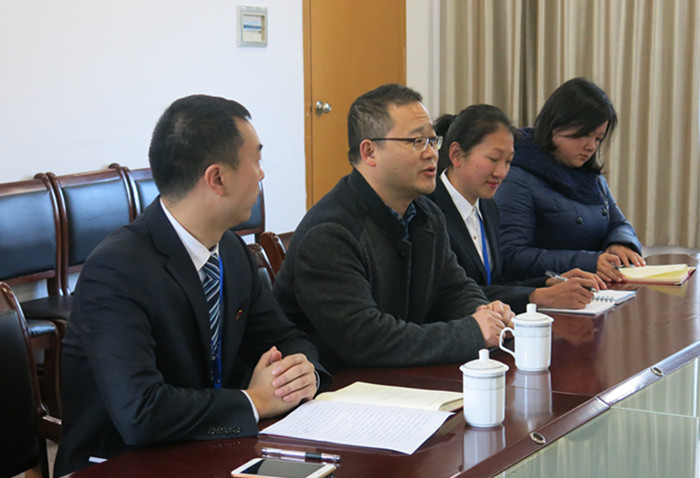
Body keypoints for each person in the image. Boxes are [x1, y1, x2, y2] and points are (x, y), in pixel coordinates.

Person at [55, 95, 329, 475]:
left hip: (210, 449)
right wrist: (254, 401)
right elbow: (140, 412)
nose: (262, 175)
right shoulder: (116, 270)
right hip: (123, 463)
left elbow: (285, 338)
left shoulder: (230, 249)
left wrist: (301, 373)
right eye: (256, 161)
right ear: (217, 178)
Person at [272, 83, 514, 373]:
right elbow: (366, 340)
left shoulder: (426, 214)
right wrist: (473, 332)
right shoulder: (330, 233)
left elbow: (453, 287)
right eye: (416, 142)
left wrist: (484, 312)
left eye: (432, 141)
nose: (431, 154)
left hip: (402, 377)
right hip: (340, 386)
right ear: (370, 152)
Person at [428, 105, 605, 313]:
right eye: (493, 159)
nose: (501, 173)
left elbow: (495, 284)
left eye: (508, 162)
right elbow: (450, 296)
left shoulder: (488, 207)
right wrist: (537, 296)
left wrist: (549, 282)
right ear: (456, 154)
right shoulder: (428, 210)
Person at [493, 78, 644, 283]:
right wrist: (589, 261)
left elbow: (618, 223)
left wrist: (620, 243)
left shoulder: (590, 175)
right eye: (584, 135)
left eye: (598, 139)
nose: (591, 147)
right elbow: (512, 256)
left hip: (596, 287)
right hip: (548, 292)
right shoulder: (518, 175)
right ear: (555, 125)